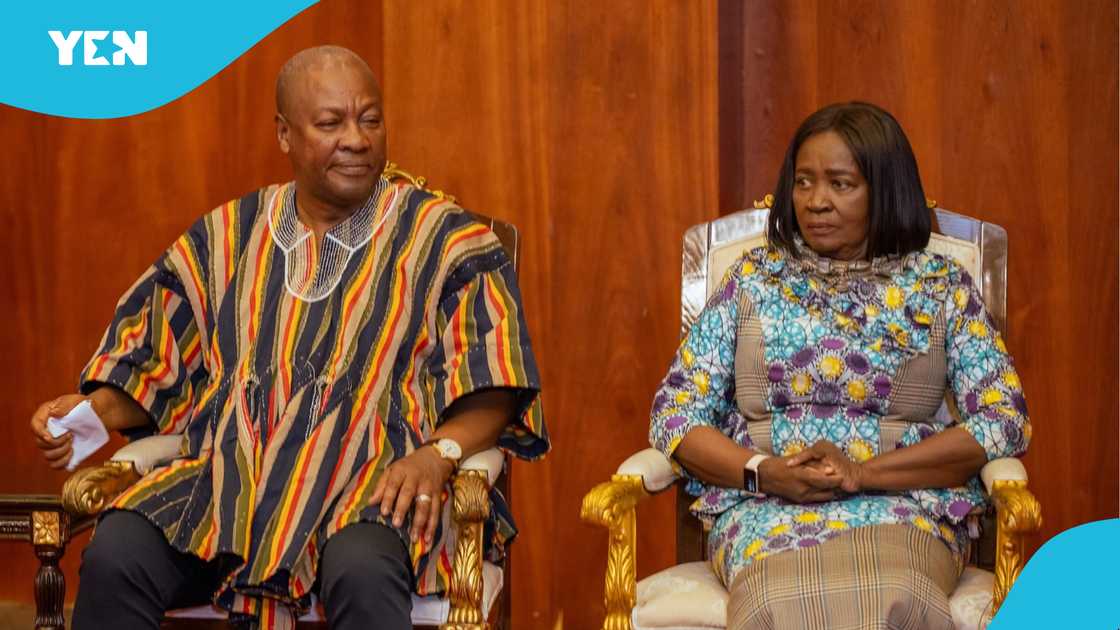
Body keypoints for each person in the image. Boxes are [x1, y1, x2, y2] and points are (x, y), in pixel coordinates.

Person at [29, 45, 548, 630]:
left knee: (362, 570)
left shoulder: (449, 240)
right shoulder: (225, 238)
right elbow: (154, 361)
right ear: (284, 135)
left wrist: (441, 453)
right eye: (331, 123)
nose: (356, 138)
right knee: (116, 554)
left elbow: (494, 381)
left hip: (375, 487)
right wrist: (93, 408)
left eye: (370, 119)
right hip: (227, 487)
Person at [649, 102, 1029, 629]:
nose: (816, 202)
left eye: (840, 184)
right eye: (803, 182)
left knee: (893, 595)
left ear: (885, 189)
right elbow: (675, 413)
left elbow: (1002, 419)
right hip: (764, 511)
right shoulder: (754, 279)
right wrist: (764, 475)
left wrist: (863, 474)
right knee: (773, 603)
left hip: (907, 508)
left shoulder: (940, 284)